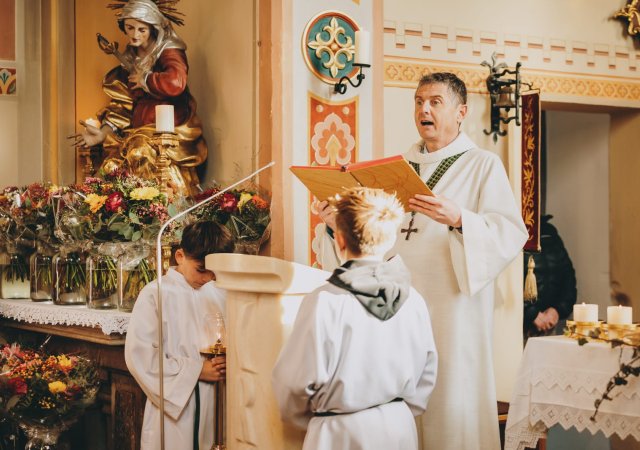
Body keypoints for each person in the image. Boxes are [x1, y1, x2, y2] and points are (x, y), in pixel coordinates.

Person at [317, 72, 528, 450]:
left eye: (434, 102)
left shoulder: (482, 165)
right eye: (418, 102)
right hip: (395, 307)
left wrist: (460, 219)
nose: (423, 110)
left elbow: (510, 233)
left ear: (461, 112)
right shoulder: (393, 170)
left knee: (450, 401)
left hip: (453, 311)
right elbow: (370, 243)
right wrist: (337, 227)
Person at [273, 187, 438, 450]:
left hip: (340, 431)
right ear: (390, 238)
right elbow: (427, 372)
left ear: (339, 240)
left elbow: (293, 383)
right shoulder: (413, 299)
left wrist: (316, 420)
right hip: (398, 426)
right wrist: (397, 411)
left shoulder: (326, 300)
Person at [71, 0, 207, 197]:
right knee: (111, 166)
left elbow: (176, 82)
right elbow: (123, 103)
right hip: (137, 130)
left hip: (170, 127)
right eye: (130, 28)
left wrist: (146, 79)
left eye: (142, 29)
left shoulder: (168, 49)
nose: (135, 34)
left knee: (140, 152)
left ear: (153, 28)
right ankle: (124, 211)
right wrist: (102, 134)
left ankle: (158, 207)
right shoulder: (130, 57)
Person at [125, 220, 233, 450]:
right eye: (201, 270)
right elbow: (141, 358)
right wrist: (197, 370)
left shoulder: (220, 293)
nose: (208, 278)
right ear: (180, 256)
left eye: (214, 273)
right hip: (177, 405)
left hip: (219, 400)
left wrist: (229, 360)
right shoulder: (155, 294)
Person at [523, 214, 577, 338]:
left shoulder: (550, 233)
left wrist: (557, 310)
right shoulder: (511, 231)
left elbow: (567, 276)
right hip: (518, 323)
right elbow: (506, 283)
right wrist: (532, 313)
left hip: (549, 324)